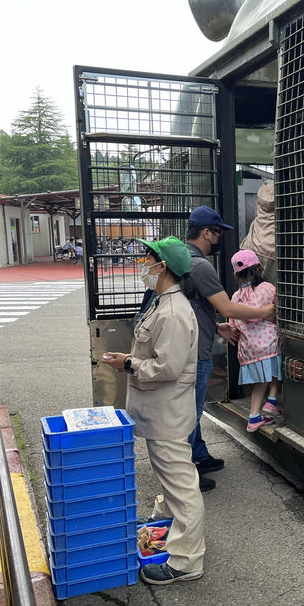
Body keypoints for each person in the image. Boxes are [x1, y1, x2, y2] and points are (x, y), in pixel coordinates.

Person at [103, 236, 205, 585]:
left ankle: (187, 560)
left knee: (182, 487)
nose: (143, 262)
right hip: (161, 414)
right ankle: (168, 523)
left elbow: (168, 368)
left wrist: (128, 363)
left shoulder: (174, 313)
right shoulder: (162, 302)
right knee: (173, 480)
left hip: (168, 416)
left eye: (148, 257)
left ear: (163, 267)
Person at [185, 206, 276, 488]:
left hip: (197, 339)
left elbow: (194, 305)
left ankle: (199, 455)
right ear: (206, 232)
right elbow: (225, 306)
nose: (219, 239)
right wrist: (264, 312)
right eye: (217, 233)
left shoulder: (183, 258)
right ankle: (187, 472)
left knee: (193, 409)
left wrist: (217, 325)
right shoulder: (200, 264)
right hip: (193, 348)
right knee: (190, 411)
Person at [229, 249, 282, 432]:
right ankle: (272, 400)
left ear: (236, 274)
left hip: (249, 350)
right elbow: (278, 309)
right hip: (269, 344)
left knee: (259, 384)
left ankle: (253, 417)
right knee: (277, 371)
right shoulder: (267, 288)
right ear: (259, 268)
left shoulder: (235, 297)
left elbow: (233, 325)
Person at [239, 181, 277, 284]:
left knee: (249, 292)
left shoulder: (263, 190)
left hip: (251, 245)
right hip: (273, 250)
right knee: (272, 293)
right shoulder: (287, 191)